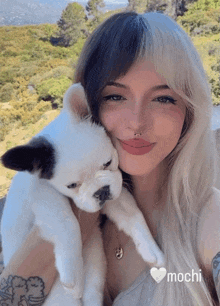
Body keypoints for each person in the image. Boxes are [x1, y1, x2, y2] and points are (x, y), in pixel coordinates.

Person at [0, 11, 220, 306]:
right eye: (115, 96)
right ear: (87, 106)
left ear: (190, 111)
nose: (137, 122)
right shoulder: (58, 201)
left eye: (163, 98)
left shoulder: (208, 220)